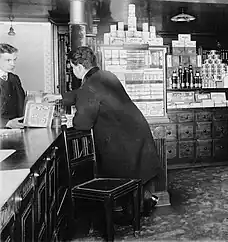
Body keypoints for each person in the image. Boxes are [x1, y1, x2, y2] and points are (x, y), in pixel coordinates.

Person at [45, 46, 161, 214]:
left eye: (72, 68)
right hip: (137, 134)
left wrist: (70, 119)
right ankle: (143, 202)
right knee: (139, 178)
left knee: (122, 180)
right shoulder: (106, 75)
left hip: (123, 142)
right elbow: (82, 93)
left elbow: (83, 124)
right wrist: (60, 97)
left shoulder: (89, 86)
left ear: (78, 67)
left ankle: (134, 209)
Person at [0, 43, 25, 129]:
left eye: (14, 60)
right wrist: (6, 123)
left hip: (16, 130)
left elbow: (22, 102)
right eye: (8, 60)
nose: (13, 64)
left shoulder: (14, 78)